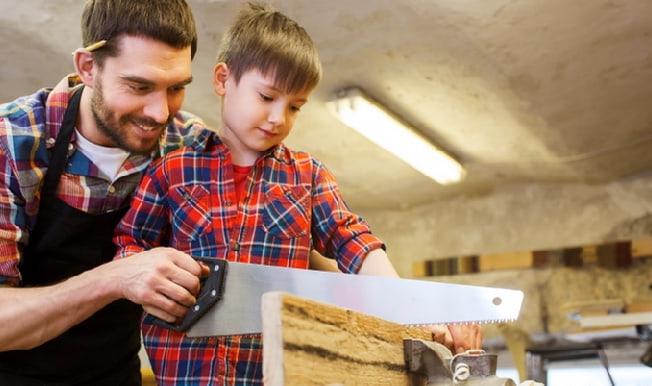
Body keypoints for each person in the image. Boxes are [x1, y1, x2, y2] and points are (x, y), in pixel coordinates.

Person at [113, 2, 481, 384]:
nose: (278, 118)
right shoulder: (172, 171)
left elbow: (355, 242)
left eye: (295, 107)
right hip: (186, 372)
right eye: (267, 97)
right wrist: (152, 284)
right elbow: (129, 244)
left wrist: (412, 308)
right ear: (223, 79)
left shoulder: (308, 178)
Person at [0, 0, 211, 384]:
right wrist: (115, 278)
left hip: (111, 374)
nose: (160, 113)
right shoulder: (5, 139)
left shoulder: (188, 146)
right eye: (139, 86)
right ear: (87, 67)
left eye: (176, 88)